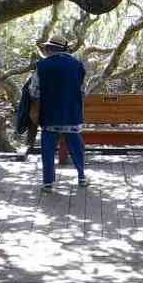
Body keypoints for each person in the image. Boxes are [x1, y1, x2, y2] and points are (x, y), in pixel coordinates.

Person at [29, 35, 88, 193]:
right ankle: (82, 177)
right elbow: (83, 91)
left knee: (47, 150)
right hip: (72, 115)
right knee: (77, 147)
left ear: (49, 49)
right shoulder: (77, 65)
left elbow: (34, 91)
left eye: (47, 48)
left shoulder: (42, 66)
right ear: (64, 49)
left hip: (49, 116)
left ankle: (48, 183)